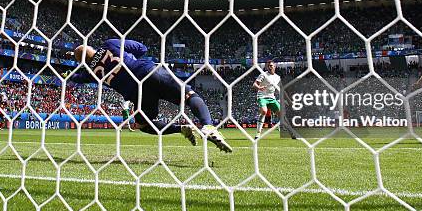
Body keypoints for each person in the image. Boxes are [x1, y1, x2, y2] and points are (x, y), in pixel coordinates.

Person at [68, 39, 232, 153]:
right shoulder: (110, 44)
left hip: (137, 92)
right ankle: (208, 126)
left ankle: (180, 129)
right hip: (150, 72)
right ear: (92, 48)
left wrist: (67, 74)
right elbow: (142, 48)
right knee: (190, 95)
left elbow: (76, 79)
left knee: (142, 125)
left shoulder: (90, 72)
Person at [253, 60, 281, 140]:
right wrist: (259, 88)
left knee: (281, 114)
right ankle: (258, 133)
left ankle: (290, 132)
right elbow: (254, 84)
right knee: (264, 111)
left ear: (274, 66)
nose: (269, 67)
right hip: (262, 96)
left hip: (272, 98)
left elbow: (281, 89)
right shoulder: (263, 75)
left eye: (271, 65)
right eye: (268, 66)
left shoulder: (277, 77)